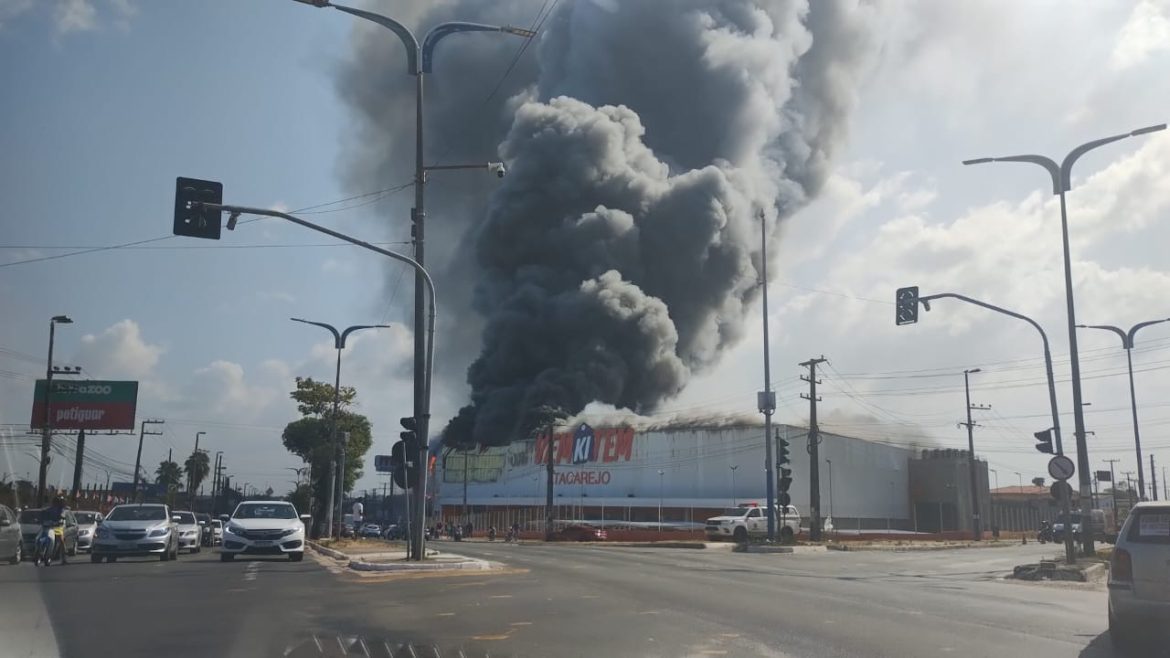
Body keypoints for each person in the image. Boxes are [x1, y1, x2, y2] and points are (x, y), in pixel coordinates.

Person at [42, 496, 68, 565]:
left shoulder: (61, 510)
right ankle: (42, 552)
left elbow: (62, 516)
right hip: (49, 527)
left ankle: (63, 558)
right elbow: (44, 515)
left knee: (61, 541)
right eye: (55, 501)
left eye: (57, 502)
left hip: (58, 527)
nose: (56, 503)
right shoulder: (49, 509)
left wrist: (61, 519)